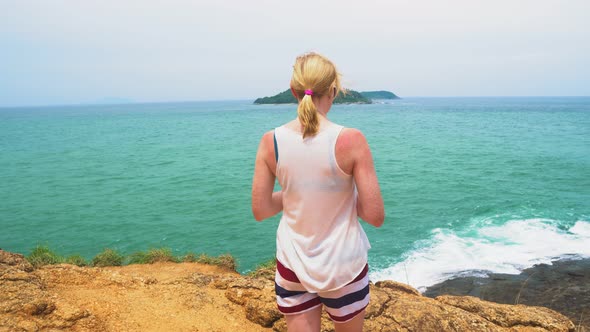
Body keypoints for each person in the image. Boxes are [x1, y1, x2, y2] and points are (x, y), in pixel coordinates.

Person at [251, 52, 384, 332]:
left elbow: (261, 210)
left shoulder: (270, 141)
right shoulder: (352, 140)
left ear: (293, 90)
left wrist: (293, 194)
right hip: (343, 265)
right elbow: (374, 215)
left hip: (292, 264)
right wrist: (341, 198)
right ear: (333, 91)